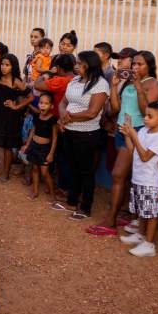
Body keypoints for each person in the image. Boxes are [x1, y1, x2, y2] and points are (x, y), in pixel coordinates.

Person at [88, 49, 158, 236]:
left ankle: (110, 221)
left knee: (118, 175)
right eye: (134, 63)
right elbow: (117, 108)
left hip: (136, 133)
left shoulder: (153, 84)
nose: (135, 67)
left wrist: (138, 86)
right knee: (127, 176)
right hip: (121, 131)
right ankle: (129, 215)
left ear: (149, 66)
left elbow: (147, 112)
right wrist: (114, 87)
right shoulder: (127, 80)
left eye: (140, 64)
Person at [58, 51, 110, 220]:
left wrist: (69, 117)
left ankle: (85, 207)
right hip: (69, 130)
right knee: (72, 167)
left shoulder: (100, 84)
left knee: (86, 171)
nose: (76, 66)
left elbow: (92, 112)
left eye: (80, 64)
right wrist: (62, 116)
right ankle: (72, 201)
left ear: (89, 65)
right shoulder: (74, 80)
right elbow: (63, 102)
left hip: (86, 133)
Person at [118, 102, 158, 257]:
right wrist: (128, 136)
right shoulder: (143, 131)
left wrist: (134, 135)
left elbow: (145, 156)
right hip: (138, 178)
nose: (145, 118)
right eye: (145, 115)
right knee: (141, 210)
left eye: (150, 116)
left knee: (151, 214)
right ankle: (140, 235)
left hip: (149, 181)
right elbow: (133, 150)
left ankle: (149, 244)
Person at [21, 92, 58, 200]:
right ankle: (35, 191)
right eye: (41, 102)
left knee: (45, 172)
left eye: (46, 103)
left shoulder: (53, 120)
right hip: (34, 146)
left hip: (45, 149)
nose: (42, 105)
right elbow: (33, 131)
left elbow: (55, 138)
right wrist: (27, 145)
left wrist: (51, 153)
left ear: (51, 106)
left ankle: (52, 195)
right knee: (35, 169)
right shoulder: (36, 116)